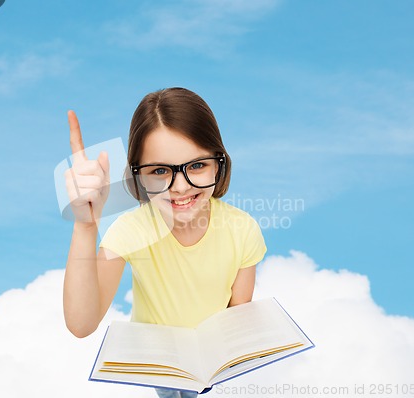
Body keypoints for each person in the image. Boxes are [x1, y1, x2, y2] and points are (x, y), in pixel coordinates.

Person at [63, 87, 267, 398]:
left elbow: (236, 319)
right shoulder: (132, 230)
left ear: (219, 163)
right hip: (159, 366)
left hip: (212, 369)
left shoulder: (242, 230)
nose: (181, 187)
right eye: (160, 171)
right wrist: (86, 224)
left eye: (197, 165)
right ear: (138, 176)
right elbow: (81, 323)